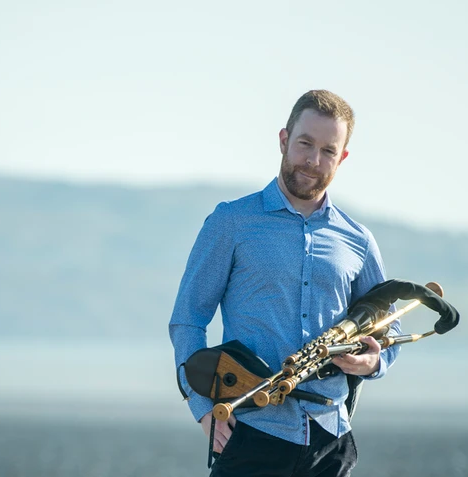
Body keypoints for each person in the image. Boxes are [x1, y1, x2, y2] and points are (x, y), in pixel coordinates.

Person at [169, 89, 401, 477]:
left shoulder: (358, 240)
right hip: (251, 432)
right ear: (283, 140)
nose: (313, 160)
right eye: (305, 144)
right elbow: (187, 320)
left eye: (328, 150)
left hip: (331, 440)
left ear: (342, 158)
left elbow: (390, 329)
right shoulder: (232, 222)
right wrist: (204, 409)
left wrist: (371, 361)